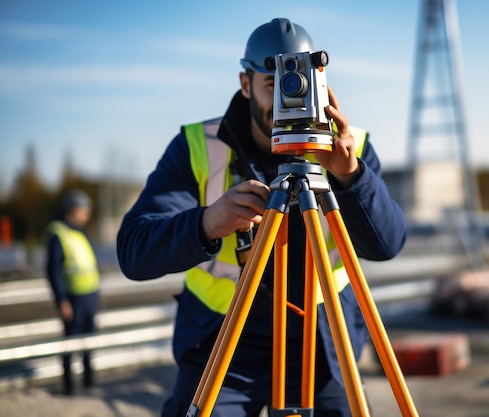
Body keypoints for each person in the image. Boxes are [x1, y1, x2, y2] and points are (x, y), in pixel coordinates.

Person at [117, 17, 406, 417]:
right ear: (245, 83)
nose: (290, 97)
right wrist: (206, 223)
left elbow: (387, 244)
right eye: (275, 84)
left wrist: (350, 175)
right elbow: (135, 250)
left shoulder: (349, 146)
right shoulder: (199, 146)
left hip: (321, 343)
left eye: (302, 83)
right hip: (225, 341)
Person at [45, 189, 100, 395]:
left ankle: (88, 383)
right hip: (73, 298)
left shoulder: (81, 232)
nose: (87, 214)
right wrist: (61, 300)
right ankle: (69, 386)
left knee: (89, 341)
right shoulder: (58, 233)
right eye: (85, 210)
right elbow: (53, 271)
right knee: (70, 343)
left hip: (89, 296)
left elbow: (89, 266)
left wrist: (97, 296)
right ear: (74, 209)